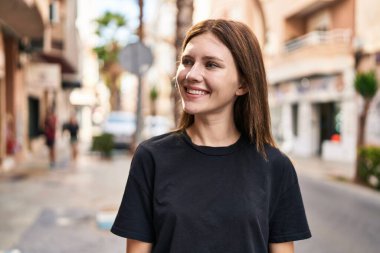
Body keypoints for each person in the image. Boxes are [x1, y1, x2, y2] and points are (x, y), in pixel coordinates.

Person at [111, 19, 311, 253]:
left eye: (211, 65)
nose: (191, 74)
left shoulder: (275, 166)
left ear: (243, 84)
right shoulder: (151, 157)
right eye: (187, 61)